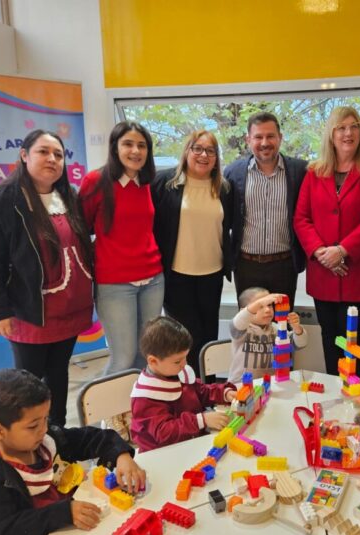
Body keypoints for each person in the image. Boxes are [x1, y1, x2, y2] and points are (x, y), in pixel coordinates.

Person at [0, 368, 146, 535]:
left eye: (46, 418)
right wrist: (62, 513)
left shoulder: (47, 441)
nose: (44, 429)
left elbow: (92, 438)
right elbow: (2, 534)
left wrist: (121, 456)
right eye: (33, 425)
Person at [0, 130, 94, 426]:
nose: (52, 159)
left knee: (59, 372)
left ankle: (58, 431)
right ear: (24, 155)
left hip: (70, 307)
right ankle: (30, 436)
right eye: (43, 152)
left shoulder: (69, 196)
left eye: (58, 155)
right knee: (29, 383)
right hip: (30, 311)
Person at [293, 106, 360, 378]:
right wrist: (321, 252)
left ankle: (355, 395)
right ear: (331, 134)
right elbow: (301, 218)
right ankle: (334, 392)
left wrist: (343, 250)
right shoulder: (314, 171)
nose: (348, 133)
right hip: (323, 273)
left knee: (354, 340)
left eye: (354, 126)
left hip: (358, 273)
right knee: (330, 336)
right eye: (341, 128)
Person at [78, 122, 163, 374]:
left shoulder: (147, 182)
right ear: (115, 147)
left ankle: (137, 400)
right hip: (114, 284)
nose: (135, 151)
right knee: (123, 358)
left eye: (141, 145)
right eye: (128, 144)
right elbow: (81, 228)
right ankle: (103, 400)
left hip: (153, 279)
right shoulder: (96, 181)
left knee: (146, 354)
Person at [151, 130, 232, 370]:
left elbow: (229, 226)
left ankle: (207, 385)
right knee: (184, 339)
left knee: (209, 337)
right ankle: (185, 385)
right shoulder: (164, 183)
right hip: (177, 276)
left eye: (210, 151)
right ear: (187, 151)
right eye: (198, 148)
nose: (204, 155)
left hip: (212, 274)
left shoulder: (223, 188)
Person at [224, 112, 308, 304]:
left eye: (270, 136)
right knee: (249, 320)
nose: (264, 142)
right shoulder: (233, 172)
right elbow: (224, 220)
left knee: (282, 320)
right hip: (246, 266)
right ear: (248, 140)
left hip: (284, 266)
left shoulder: (300, 171)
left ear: (280, 137)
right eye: (258, 137)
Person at [130, 316, 238, 452]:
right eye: (178, 361)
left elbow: (201, 391)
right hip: (163, 452)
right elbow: (164, 432)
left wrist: (224, 393)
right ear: (153, 361)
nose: (184, 364)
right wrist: (202, 420)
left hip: (191, 441)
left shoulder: (176, 371)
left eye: (185, 357)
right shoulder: (145, 397)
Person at [228, 288, 308, 383]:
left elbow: (299, 344)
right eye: (260, 306)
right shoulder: (240, 330)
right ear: (243, 311)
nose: (267, 310)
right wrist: (259, 302)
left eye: (269, 305)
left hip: (270, 384)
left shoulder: (276, 329)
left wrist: (297, 328)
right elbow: (239, 320)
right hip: (240, 384)